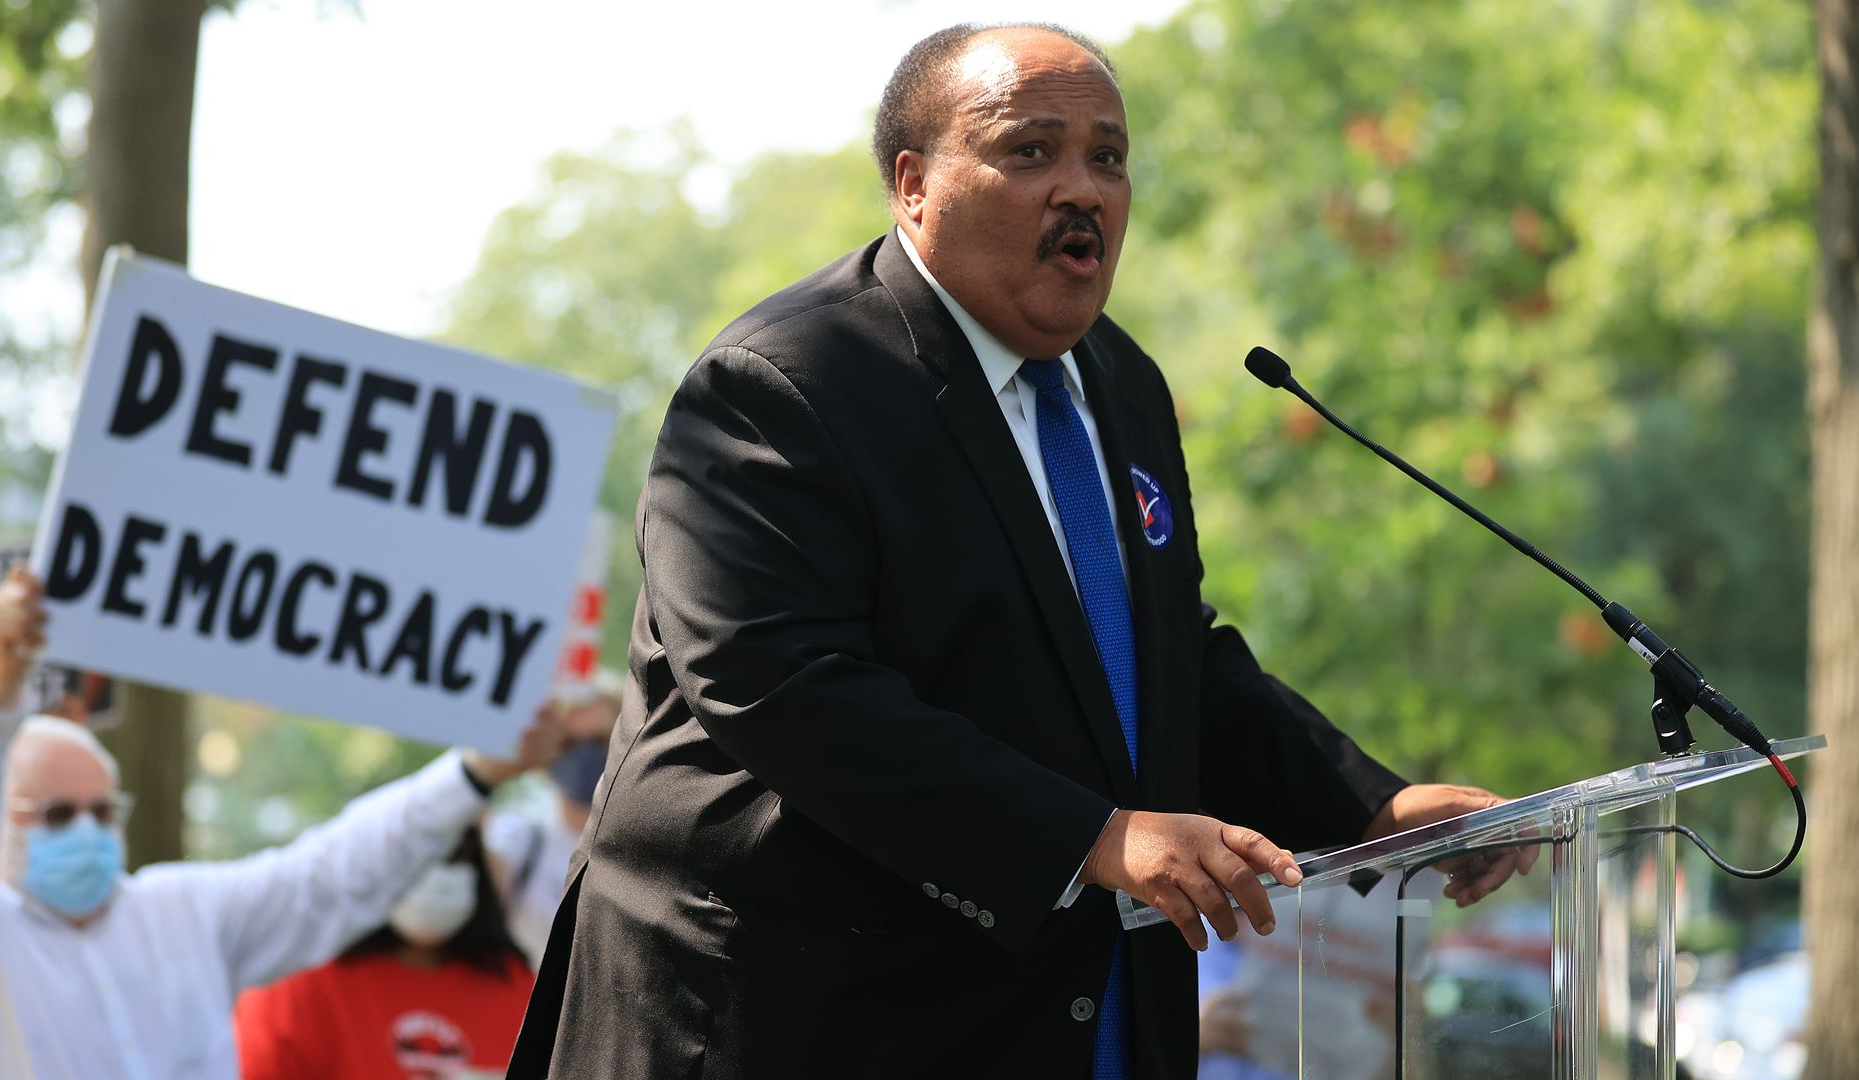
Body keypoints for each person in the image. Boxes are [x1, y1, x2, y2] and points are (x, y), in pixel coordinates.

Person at [509, 23, 1531, 1080]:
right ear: (913, 184)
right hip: (786, 1016)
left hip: (1059, 1008)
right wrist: (1092, 837)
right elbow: (781, 687)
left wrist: (1373, 804)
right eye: (1030, 151)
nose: (1082, 188)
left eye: (1109, 156)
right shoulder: (783, 386)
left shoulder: (1122, 387)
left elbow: (1165, 665)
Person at [0, 565, 564, 1078]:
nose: (86, 830)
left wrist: (473, 773)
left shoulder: (181, 911)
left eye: (102, 810)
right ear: (1, 822)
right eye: (56, 814)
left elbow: (332, 872)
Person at [233, 825, 535, 1079]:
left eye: (454, 857)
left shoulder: (518, 987)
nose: (435, 875)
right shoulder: (295, 984)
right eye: (414, 855)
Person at [484, 683, 618, 968]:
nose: (583, 757)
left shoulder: (651, 844)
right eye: (568, 744)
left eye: (597, 741)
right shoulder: (518, 837)